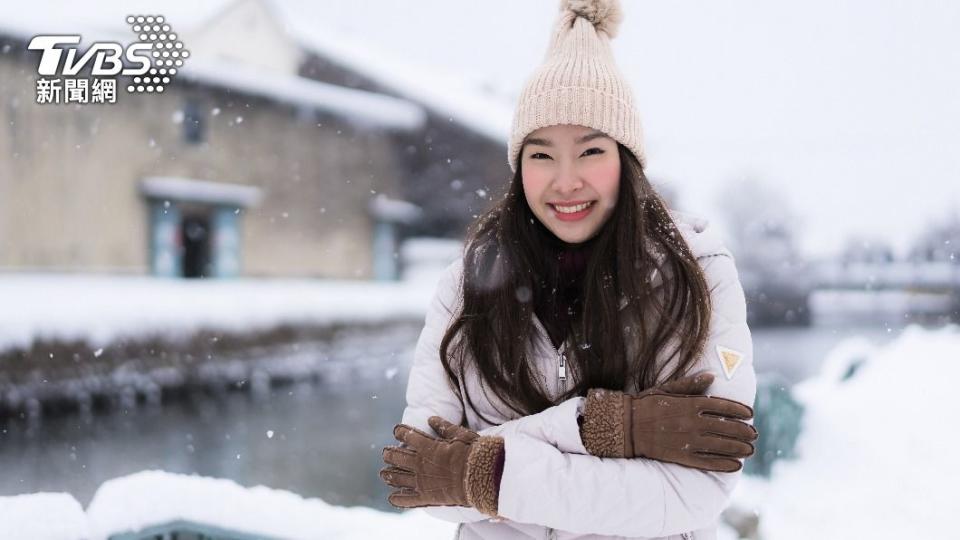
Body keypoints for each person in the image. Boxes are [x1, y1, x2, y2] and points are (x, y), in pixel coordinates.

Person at [380, 1, 759, 538]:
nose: (565, 181)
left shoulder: (695, 277)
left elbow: (692, 494)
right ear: (519, 167)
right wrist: (604, 430)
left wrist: (481, 474)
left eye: (589, 152)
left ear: (626, 161)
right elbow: (419, 475)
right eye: (541, 155)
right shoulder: (466, 283)